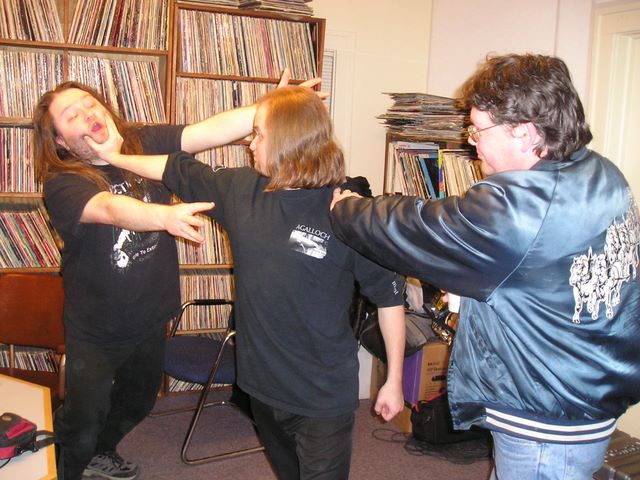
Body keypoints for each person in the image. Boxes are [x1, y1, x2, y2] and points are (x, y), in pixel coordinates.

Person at [329, 53, 640, 479]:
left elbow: (416, 227)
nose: (471, 141)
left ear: (524, 132)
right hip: (584, 394)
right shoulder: (601, 172)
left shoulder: (518, 208)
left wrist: (347, 208)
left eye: (478, 130)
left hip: (547, 419)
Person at [87, 85, 406, 480]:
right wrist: (114, 157)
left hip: (321, 396)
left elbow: (389, 297)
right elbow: (174, 168)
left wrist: (393, 379)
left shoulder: (345, 211)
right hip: (260, 387)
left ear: (289, 140)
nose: (249, 144)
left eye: (258, 134)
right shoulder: (241, 190)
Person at [32, 70, 318, 480]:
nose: (88, 113)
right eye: (71, 115)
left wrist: (272, 108)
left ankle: (102, 451)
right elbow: (109, 209)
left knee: (139, 401)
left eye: (89, 103)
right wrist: (163, 217)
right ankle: (67, 468)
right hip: (97, 327)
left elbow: (207, 132)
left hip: (150, 315)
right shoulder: (62, 182)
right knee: (82, 419)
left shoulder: (143, 141)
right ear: (60, 140)